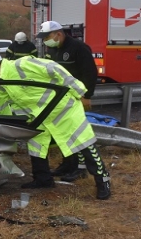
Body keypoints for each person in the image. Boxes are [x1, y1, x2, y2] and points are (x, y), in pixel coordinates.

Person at [0, 52, 111, 200]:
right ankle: (43, 180)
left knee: (83, 142)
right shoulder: (1, 79)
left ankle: (103, 180)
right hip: (39, 116)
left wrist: (81, 92)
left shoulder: (22, 64)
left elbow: (54, 68)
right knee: (36, 146)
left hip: (62, 109)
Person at [38, 20, 98, 182]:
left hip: (76, 97)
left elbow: (90, 73)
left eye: (47, 37)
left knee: (76, 133)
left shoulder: (79, 48)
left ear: (58, 34)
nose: (45, 41)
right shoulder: (52, 49)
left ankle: (80, 169)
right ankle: (68, 164)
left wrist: (87, 96)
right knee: (63, 134)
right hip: (59, 98)